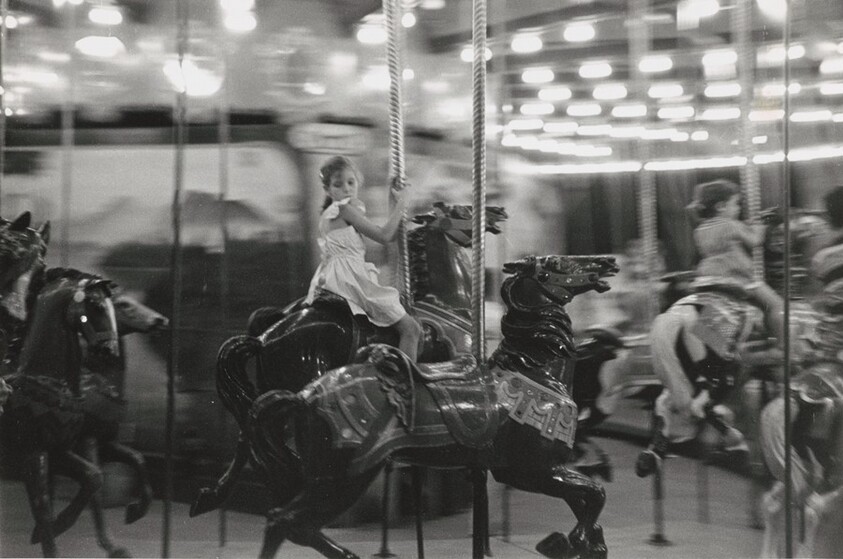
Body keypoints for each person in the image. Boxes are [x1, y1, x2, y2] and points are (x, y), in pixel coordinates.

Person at [304, 155, 422, 361]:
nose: (347, 189)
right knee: (411, 329)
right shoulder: (344, 210)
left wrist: (392, 200)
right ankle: (405, 384)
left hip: (335, 276)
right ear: (328, 190)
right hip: (350, 279)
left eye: (351, 182)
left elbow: (383, 231)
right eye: (339, 185)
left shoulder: (329, 214)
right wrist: (403, 202)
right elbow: (385, 235)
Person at [687, 179, 785, 346]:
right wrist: (760, 226)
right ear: (721, 207)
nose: (738, 208)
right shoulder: (730, 224)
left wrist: (745, 225)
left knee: (714, 317)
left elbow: (723, 240)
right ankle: (781, 345)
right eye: (735, 204)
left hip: (708, 277)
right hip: (737, 275)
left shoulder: (700, 229)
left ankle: (718, 342)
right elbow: (754, 241)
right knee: (777, 305)